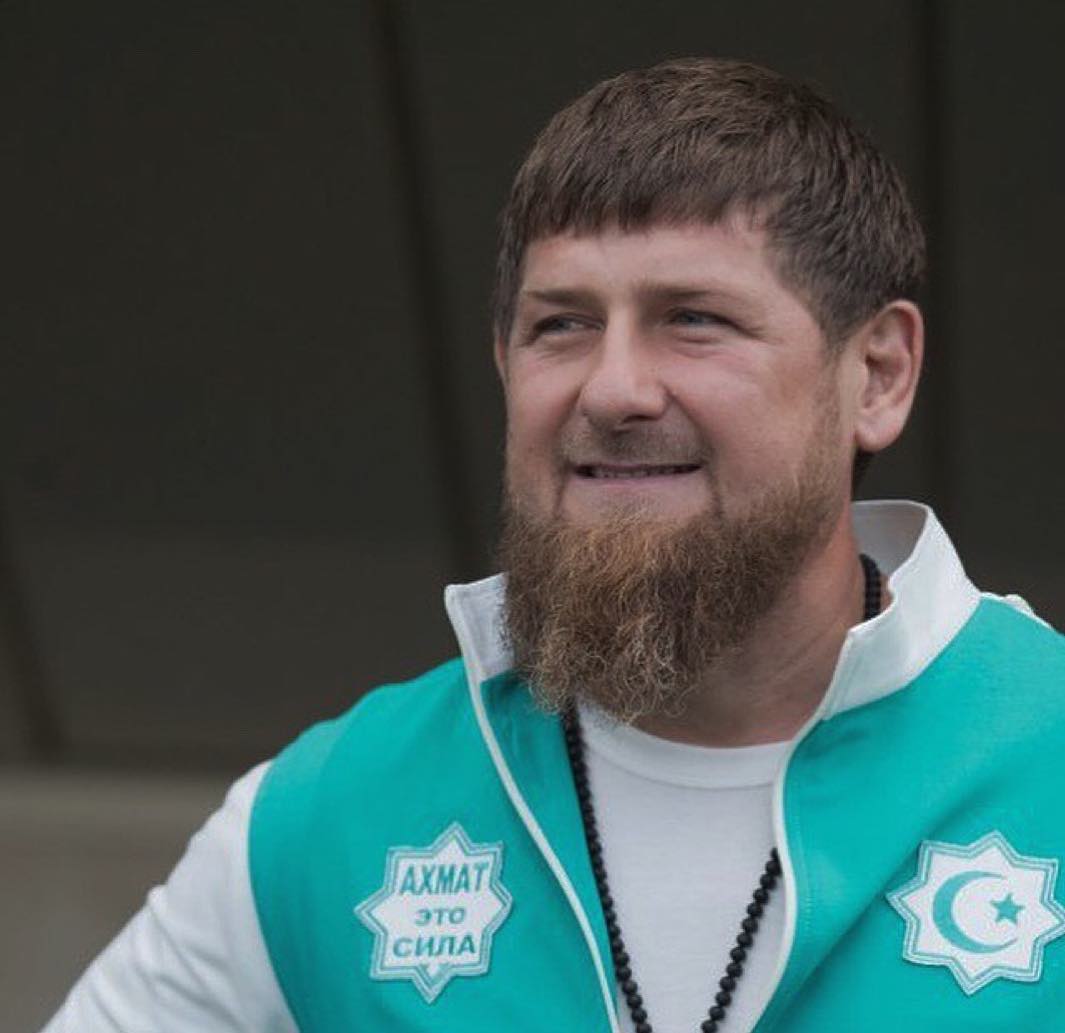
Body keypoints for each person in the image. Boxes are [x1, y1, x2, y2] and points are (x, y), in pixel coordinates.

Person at [43, 57, 1063, 1033]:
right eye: (562, 326)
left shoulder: (1040, 760)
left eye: (693, 319)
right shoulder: (324, 822)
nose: (613, 389)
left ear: (877, 374)